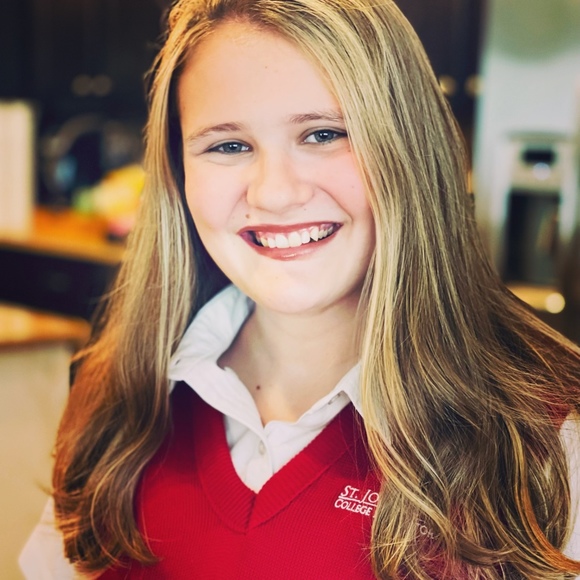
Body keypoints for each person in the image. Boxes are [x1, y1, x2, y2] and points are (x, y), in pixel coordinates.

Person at [20, 0, 580, 578]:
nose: (274, 193)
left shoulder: (548, 441)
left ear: (408, 150)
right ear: (177, 172)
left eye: (323, 134)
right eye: (228, 145)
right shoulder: (117, 404)